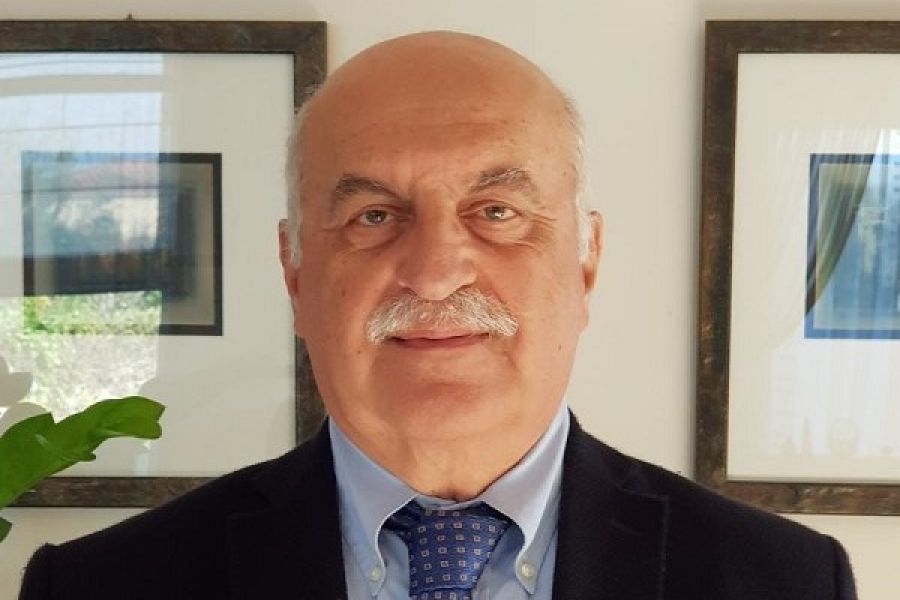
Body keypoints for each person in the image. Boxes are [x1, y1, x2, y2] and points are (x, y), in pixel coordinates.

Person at [20, 31, 856, 600]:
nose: (433, 272)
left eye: (496, 212)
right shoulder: (98, 586)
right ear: (294, 271)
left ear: (586, 259)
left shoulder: (787, 581)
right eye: (373, 216)